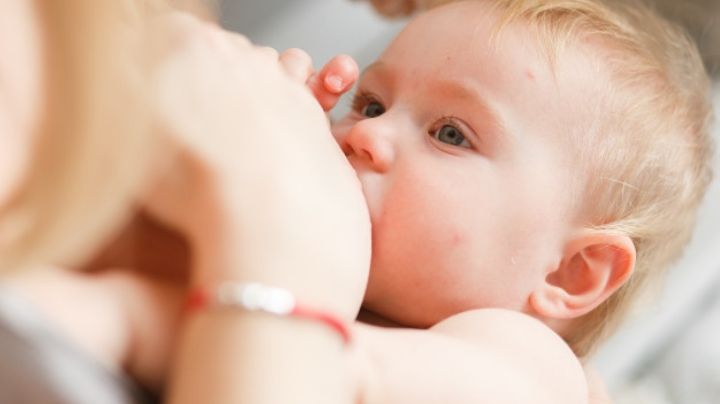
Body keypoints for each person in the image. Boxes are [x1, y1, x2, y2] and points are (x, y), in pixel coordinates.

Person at [0, 0, 713, 403]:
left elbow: (343, 373)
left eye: (451, 133)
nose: (367, 134)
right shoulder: (340, 281)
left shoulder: (527, 364)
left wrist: (121, 317)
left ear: (571, 274)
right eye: (371, 100)